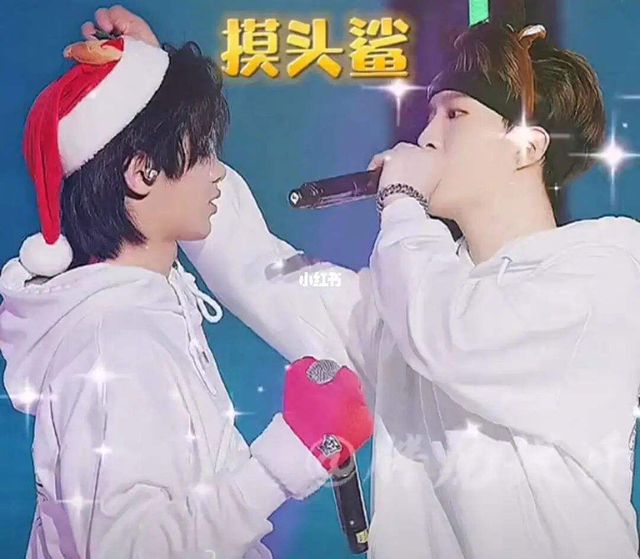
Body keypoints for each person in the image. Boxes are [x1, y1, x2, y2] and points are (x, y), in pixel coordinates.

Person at [84, 7, 640, 559]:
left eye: (455, 115)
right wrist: (162, 103)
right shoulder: (410, 294)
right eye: (430, 114)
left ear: (527, 147)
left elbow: (455, 337)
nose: (426, 137)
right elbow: (260, 271)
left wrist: (402, 205)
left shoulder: (602, 271)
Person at [0, 19, 373, 559]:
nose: (218, 173)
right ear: (142, 173)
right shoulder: (116, 342)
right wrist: (287, 455)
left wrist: (152, 82)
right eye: (201, 153)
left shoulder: (149, 304)